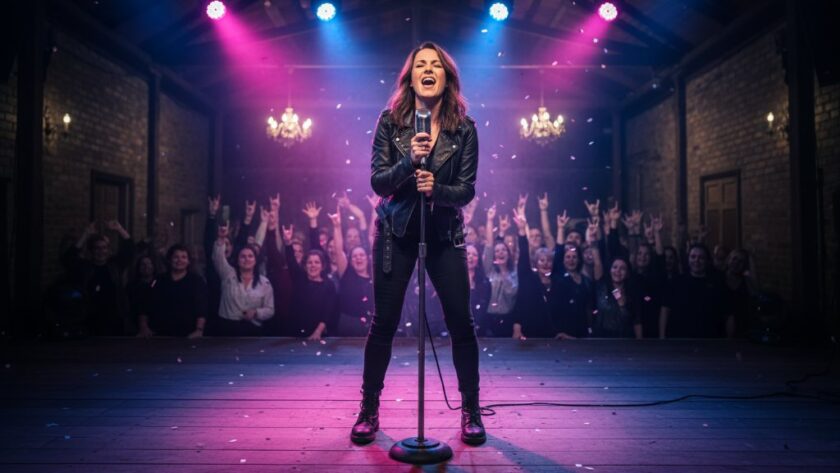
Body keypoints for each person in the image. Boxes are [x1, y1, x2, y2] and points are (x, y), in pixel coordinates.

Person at [351, 42, 484, 446]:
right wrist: (410, 162)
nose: (428, 69)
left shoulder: (465, 128)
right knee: (384, 323)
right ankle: (368, 409)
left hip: (444, 234)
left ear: (447, 77)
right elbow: (378, 181)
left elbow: (466, 190)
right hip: (396, 233)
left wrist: (437, 189)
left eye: (436, 65)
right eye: (420, 65)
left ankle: (472, 411)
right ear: (410, 78)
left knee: (461, 322)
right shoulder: (391, 122)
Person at [212, 223, 275, 336]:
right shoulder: (228, 274)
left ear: (255, 260)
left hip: (252, 330)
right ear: (237, 259)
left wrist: (256, 313)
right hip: (227, 328)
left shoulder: (264, 283)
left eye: (250, 256)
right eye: (243, 256)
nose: (247, 259)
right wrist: (221, 238)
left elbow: (270, 310)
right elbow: (218, 258)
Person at [137, 244, 208, 338]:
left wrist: (199, 330)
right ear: (169, 259)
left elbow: (202, 308)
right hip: (159, 336)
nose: (180, 260)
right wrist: (144, 327)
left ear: (188, 261)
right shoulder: (158, 280)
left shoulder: (197, 281)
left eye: (184, 257)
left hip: (188, 336)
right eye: (176, 257)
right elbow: (145, 305)